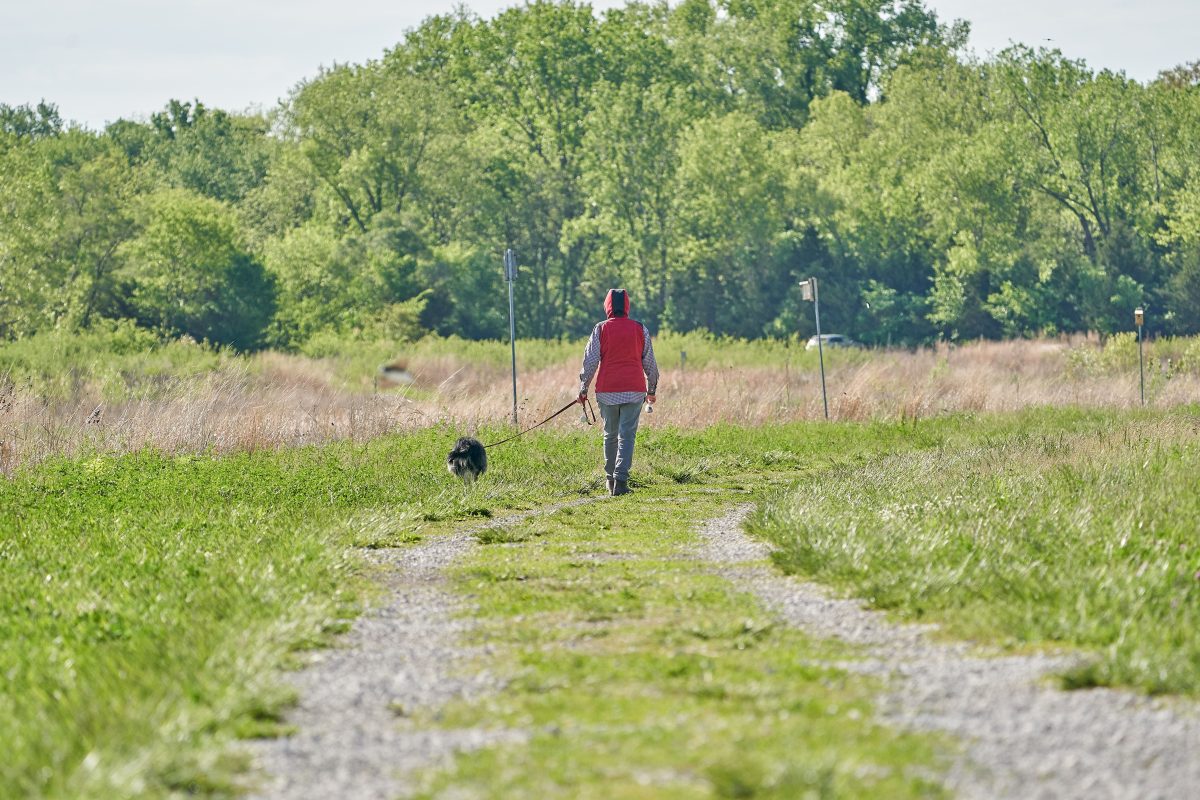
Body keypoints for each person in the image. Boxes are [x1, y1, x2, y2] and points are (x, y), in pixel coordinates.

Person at [577, 288, 660, 496]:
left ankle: (610, 481)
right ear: (628, 306)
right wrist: (651, 389)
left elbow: (590, 361)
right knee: (627, 436)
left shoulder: (600, 329)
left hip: (606, 390)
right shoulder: (640, 328)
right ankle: (621, 481)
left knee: (610, 435)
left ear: (607, 306)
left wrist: (583, 388)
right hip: (634, 390)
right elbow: (650, 363)